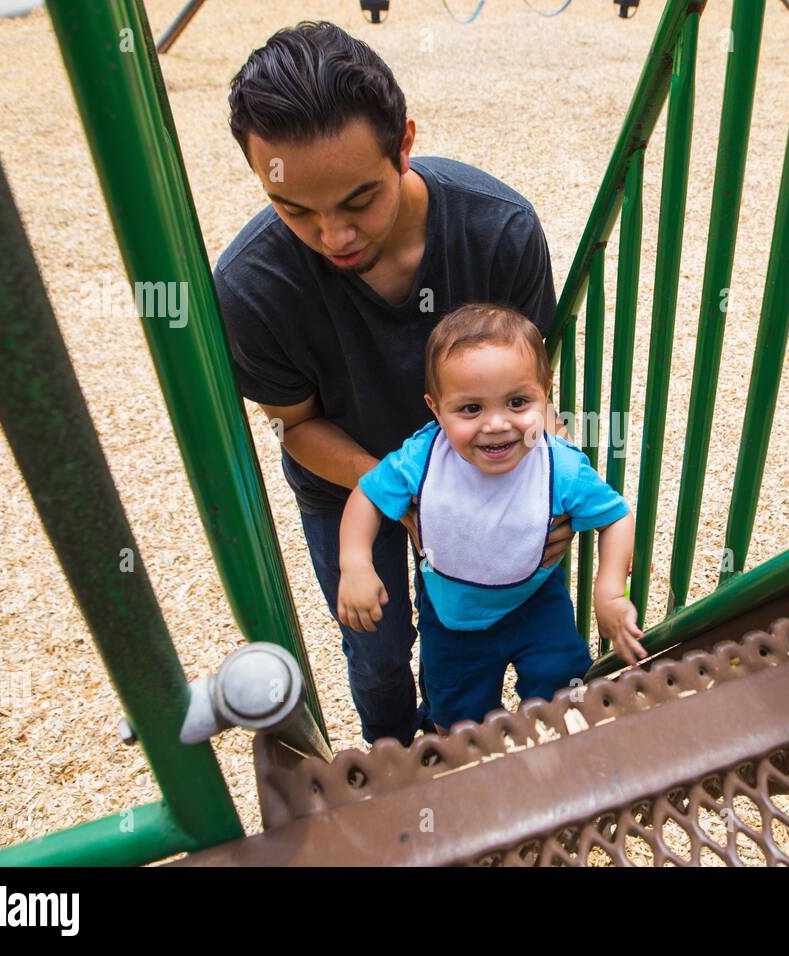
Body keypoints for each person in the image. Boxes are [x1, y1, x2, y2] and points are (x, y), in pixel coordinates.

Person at [214, 22, 575, 746]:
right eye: (295, 211)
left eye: (358, 201)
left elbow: (529, 387)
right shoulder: (252, 286)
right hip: (347, 485)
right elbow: (300, 425)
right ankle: (394, 766)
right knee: (377, 655)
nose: (333, 236)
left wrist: (550, 479)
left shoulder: (498, 229)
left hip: (486, 469)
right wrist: (398, 489)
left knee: (513, 618)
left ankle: (500, 747)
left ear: (404, 141)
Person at [336, 304, 648, 731]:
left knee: (568, 696)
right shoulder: (424, 458)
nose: (497, 424)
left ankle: (561, 770)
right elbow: (368, 496)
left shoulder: (559, 466)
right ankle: (471, 776)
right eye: (470, 409)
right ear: (436, 408)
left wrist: (610, 591)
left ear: (545, 393)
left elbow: (615, 517)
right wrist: (355, 563)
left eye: (518, 402)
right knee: (458, 720)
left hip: (535, 604)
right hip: (454, 618)